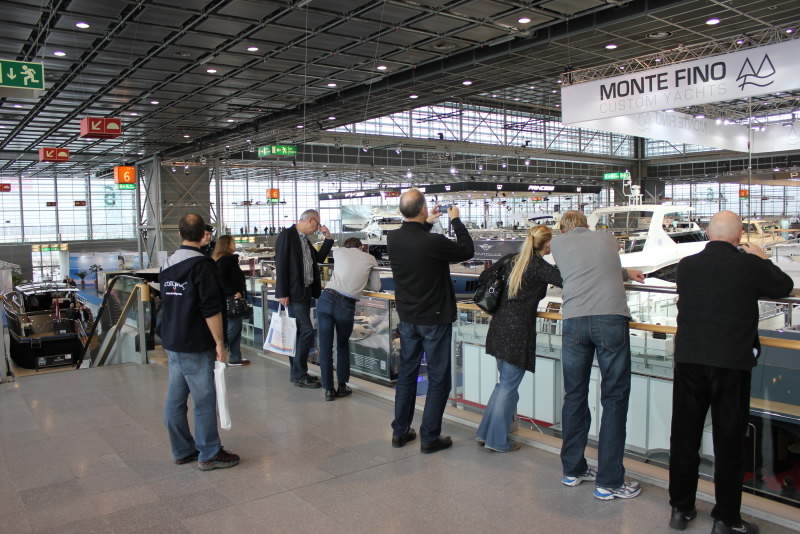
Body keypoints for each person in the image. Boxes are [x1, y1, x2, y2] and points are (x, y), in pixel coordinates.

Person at [668, 211, 792, 534]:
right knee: (729, 441)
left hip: (689, 359)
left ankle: (680, 509)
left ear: (708, 234)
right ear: (739, 237)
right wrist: (762, 258)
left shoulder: (687, 265)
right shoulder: (748, 265)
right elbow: (784, 285)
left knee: (684, 437)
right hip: (730, 363)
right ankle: (725, 518)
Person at [549, 210, 645, 500]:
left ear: (563, 229)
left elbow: (581, 267)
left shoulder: (557, 243)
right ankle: (609, 482)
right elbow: (604, 265)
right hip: (610, 320)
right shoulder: (606, 237)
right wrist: (626, 274)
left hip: (574, 322)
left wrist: (623, 273)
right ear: (586, 225)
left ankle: (573, 470)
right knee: (614, 398)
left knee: (574, 395)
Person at [388, 189, 474, 453]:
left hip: (408, 317)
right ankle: (429, 437)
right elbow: (467, 250)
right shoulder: (434, 241)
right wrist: (455, 220)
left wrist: (426, 222)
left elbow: (415, 239)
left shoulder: (393, 238)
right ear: (423, 209)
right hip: (434, 319)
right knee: (438, 378)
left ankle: (400, 432)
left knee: (407, 374)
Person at [159, 213, 240, 471]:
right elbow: (210, 309)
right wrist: (219, 342)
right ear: (204, 235)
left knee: (175, 399)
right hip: (195, 342)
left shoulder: (167, 263)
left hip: (173, 340)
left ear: (180, 233)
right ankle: (209, 452)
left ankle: (182, 449)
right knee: (204, 399)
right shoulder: (203, 266)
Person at [476, 226, 562, 452]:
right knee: (508, 386)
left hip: (499, 326)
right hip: (519, 332)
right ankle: (496, 440)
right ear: (547, 244)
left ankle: (485, 433)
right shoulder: (539, 267)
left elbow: (484, 277)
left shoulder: (511, 259)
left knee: (503, 384)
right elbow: (568, 279)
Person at [275, 209, 334, 388]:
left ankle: (297, 373)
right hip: (294, 293)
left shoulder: (304, 239)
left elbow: (318, 258)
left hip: (306, 291)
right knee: (306, 331)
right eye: (317, 224)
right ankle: (300, 374)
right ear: (310, 220)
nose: (317, 228)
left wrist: (328, 239)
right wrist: (282, 292)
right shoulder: (287, 235)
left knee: (298, 332)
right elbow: (281, 263)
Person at [317, 237, 381, 401]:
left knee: (325, 347)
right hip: (345, 305)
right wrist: (361, 282)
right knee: (342, 345)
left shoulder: (338, 252)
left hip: (326, 299)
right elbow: (376, 287)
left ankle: (328, 390)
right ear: (361, 247)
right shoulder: (370, 258)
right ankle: (342, 386)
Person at [213, 235, 250, 367]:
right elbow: (221, 280)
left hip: (232, 299)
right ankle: (220, 352)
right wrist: (233, 292)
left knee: (236, 328)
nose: (235, 244)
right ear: (226, 245)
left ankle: (235, 357)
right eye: (233, 242)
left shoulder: (228, 260)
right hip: (231, 300)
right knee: (233, 328)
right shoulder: (224, 261)